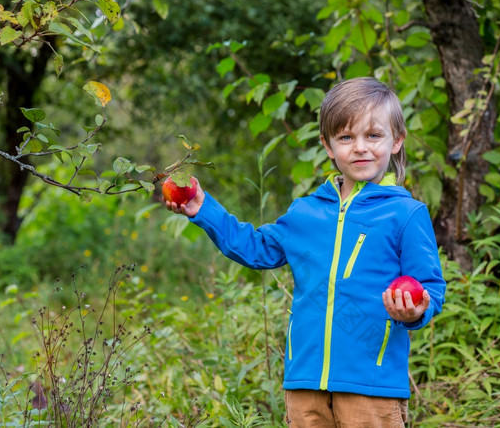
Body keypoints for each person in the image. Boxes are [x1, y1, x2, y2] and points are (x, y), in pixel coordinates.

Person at [165, 77, 446, 427]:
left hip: (371, 386)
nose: (360, 147)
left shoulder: (406, 214)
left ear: (396, 140)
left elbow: (430, 288)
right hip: (305, 383)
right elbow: (256, 248)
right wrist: (204, 210)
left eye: (373, 136)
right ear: (328, 146)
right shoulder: (306, 212)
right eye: (346, 137)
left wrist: (413, 311)